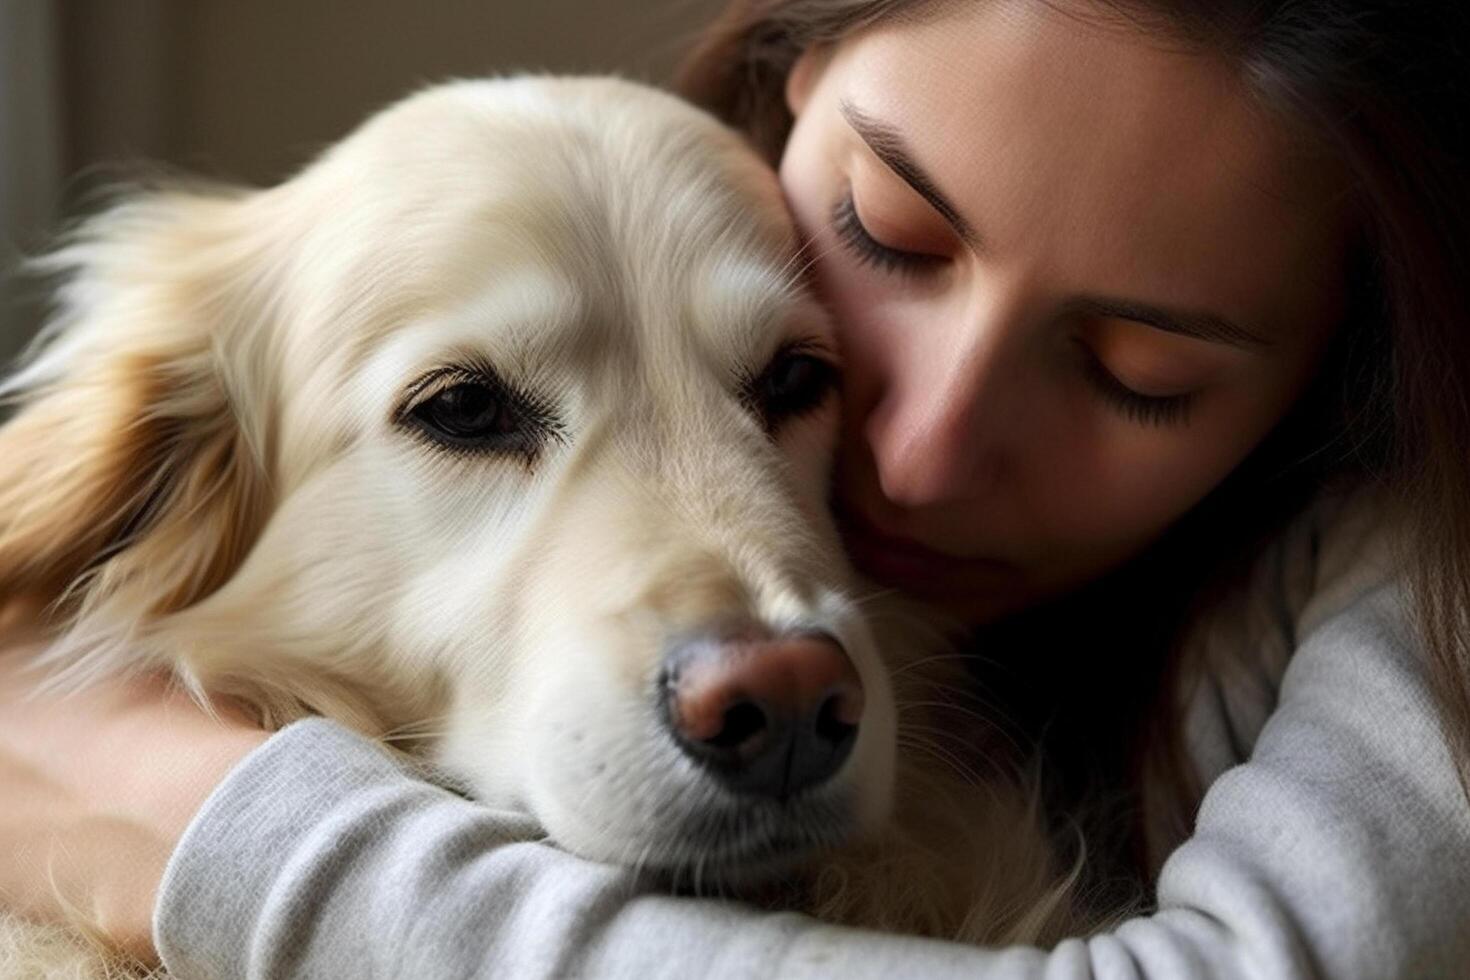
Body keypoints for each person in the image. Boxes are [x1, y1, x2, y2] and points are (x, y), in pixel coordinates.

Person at [3, 0, 1468, 975]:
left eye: (1140, 371)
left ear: (1346, 370)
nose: (918, 457)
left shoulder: (1412, 559)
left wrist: (210, 822)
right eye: (886, 234)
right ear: (790, 79)